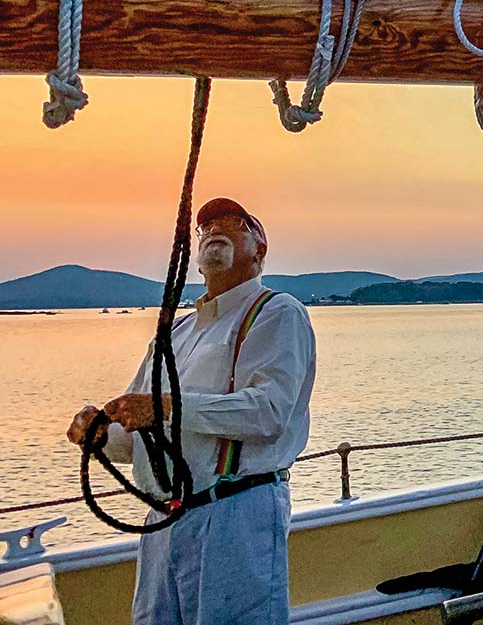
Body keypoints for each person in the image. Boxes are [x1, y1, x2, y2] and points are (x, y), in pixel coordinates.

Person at [67, 198, 317, 624]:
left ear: (259, 250)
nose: (215, 227)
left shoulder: (277, 312)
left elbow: (268, 413)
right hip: (165, 521)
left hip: (236, 513)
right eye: (206, 226)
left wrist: (163, 407)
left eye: (233, 223)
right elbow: (135, 433)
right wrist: (99, 436)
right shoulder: (176, 331)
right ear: (198, 260)